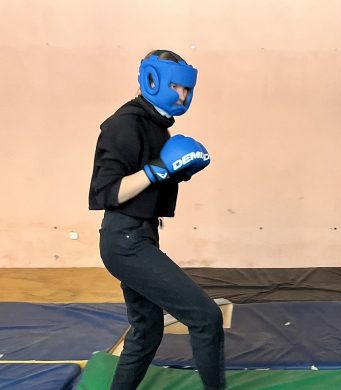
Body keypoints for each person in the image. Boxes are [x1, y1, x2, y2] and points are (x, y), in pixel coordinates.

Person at [88, 49, 225, 390]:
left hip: (140, 236)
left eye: (188, 89)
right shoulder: (124, 124)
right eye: (178, 87)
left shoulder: (156, 125)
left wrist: (179, 173)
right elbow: (107, 192)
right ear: (153, 80)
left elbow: (149, 183)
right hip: (125, 241)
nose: (183, 95)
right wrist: (159, 169)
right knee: (206, 317)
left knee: (147, 328)